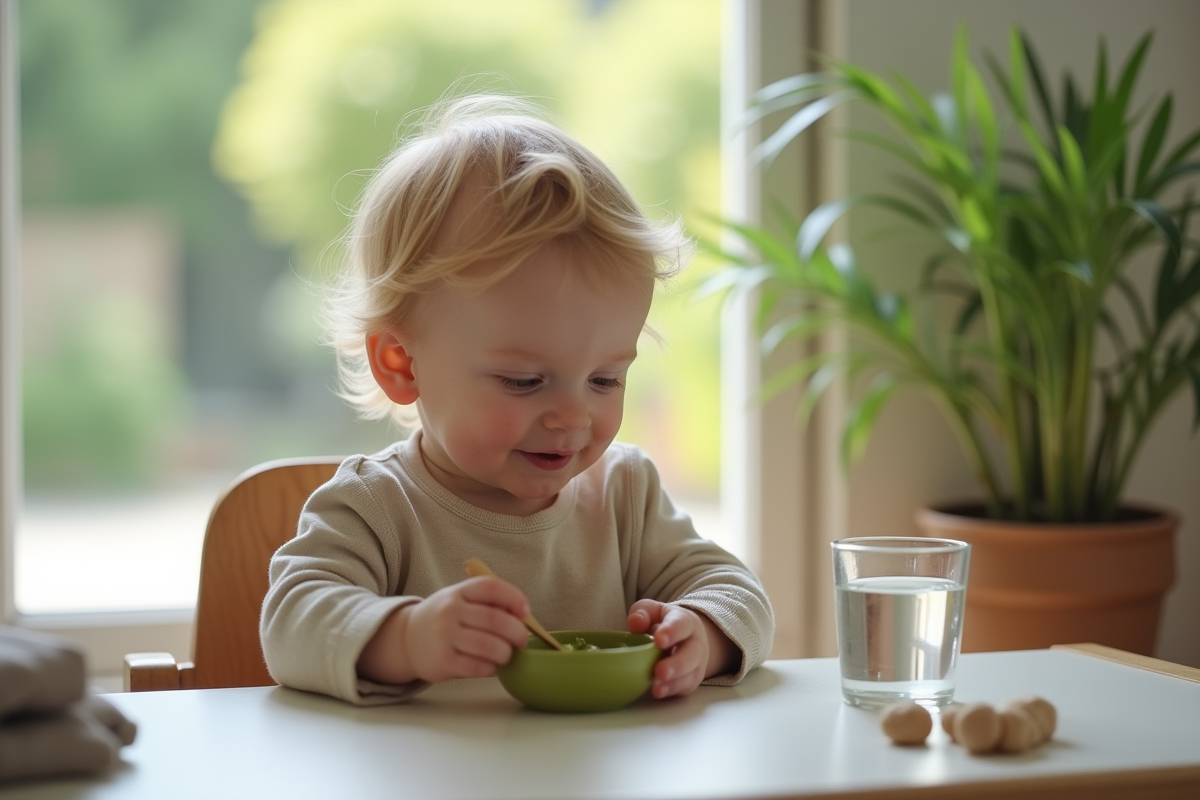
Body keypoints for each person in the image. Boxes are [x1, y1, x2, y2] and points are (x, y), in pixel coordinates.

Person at [260, 94, 774, 706]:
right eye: (525, 382)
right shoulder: (376, 507)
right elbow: (290, 621)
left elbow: (736, 591)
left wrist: (703, 631)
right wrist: (406, 637)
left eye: (605, 379)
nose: (573, 417)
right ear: (402, 362)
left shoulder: (624, 495)